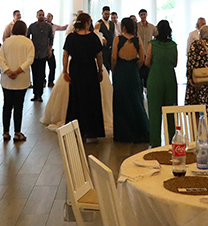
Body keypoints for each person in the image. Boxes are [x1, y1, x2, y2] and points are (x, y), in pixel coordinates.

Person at [64, 12, 106, 141]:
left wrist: (65, 71)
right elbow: (99, 56)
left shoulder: (71, 37)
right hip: (89, 69)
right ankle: (92, 131)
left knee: (76, 98)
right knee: (91, 98)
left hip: (76, 69)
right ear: (87, 23)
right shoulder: (93, 37)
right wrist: (100, 70)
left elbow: (65, 55)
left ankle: (76, 130)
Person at [110, 16, 150, 143]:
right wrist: (134, 66)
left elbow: (114, 58)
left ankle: (123, 134)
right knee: (136, 100)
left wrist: (114, 69)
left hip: (121, 70)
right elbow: (142, 59)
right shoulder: (137, 40)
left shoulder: (118, 39)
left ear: (124, 27)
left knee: (120, 101)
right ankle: (139, 131)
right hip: (132, 71)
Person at [0, 20, 34, 142]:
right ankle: (17, 133)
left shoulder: (6, 42)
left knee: (7, 104)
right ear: (25, 30)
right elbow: (30, 59)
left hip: (7, 79)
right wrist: (18, 70)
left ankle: (5, 132)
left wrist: (8, 71)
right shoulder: (28, 42)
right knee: (19, 105)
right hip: (21, 79)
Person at [144, 19, 178, 147]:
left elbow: (147, 62)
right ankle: (172, 140)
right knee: (170, 111)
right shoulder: (173, 45)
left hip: (155, 77)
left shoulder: (152, 44)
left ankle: (155, 143)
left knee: (154, 111)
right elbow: (175, 63)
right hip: (170, 78)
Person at [185, 24, 208, 120]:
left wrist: (190, 78)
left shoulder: (195, 45)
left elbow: (190, 62)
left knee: (194, 111)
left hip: (196, 82)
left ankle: (195, 133)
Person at [26, 9, 53, 102]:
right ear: (36, 16)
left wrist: (50, 50)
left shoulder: (48, 27)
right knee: (34, 73)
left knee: (41, 74)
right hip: (34, 53)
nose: (41, 16)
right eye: (39, 15)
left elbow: (51, 39)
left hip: (43, 53)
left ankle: (40, 95)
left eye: (42, 15)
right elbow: (27, 38)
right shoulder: (32, 26)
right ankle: (35, 94)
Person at [136, 9, 156, 85]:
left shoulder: (151, 27)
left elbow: (157, 35)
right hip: (139, 53)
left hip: (149, 53)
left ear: (146, 15)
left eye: (144, 14)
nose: (143, 16)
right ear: (139, 16)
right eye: (141, 15)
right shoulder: (136, 26)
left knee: (148, 75)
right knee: (139, 75)